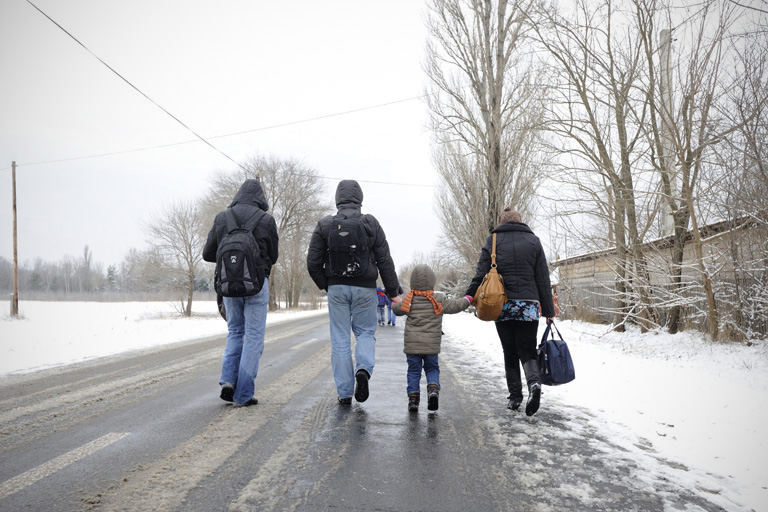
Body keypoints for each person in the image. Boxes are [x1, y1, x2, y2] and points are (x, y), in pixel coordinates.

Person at [307, 180, 400, 405]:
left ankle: (345, 393)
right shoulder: (370, 223)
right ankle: (363, 371)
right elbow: (385, 260)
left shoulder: (325, 225)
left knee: (340, 339)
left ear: (337, 199)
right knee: (366, 333)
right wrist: (392, 291)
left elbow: (312, 262)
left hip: (336, 288)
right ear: (360, 198)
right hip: (365, 288)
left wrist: (327, 284)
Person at [465, 208, 555, 416]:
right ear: (520, 221)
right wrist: (548, 310)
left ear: (501, 222)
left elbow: (481, 274)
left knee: (510, 351)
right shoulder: (534, 241)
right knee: (528, 349)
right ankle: (534, 384)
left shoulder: (493, 240)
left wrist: (470, 296)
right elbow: (543, 278)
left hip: (502, 304)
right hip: (528, 305)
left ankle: (515, 397)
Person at [203, 179, 279, 407]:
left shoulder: (222, 218)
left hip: (229, 286)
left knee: (235, 332)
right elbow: (273, 256)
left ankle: (228, 380)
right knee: (254, 336)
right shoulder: (266, 220)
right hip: (256, 285)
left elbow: (208, 254)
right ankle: (243, 394)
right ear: (260, 197)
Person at [392, 264, 471, 412]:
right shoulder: (439, 299)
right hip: (431, 345)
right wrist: (468, 299)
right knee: (432, 368)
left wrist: (395, 303)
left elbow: (397, 310)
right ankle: (433, 389)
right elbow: (455, 306)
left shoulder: (410, 299)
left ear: (413, 282)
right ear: (432, 280)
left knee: (414, 371)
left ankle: (413, 400)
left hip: (412, 345)